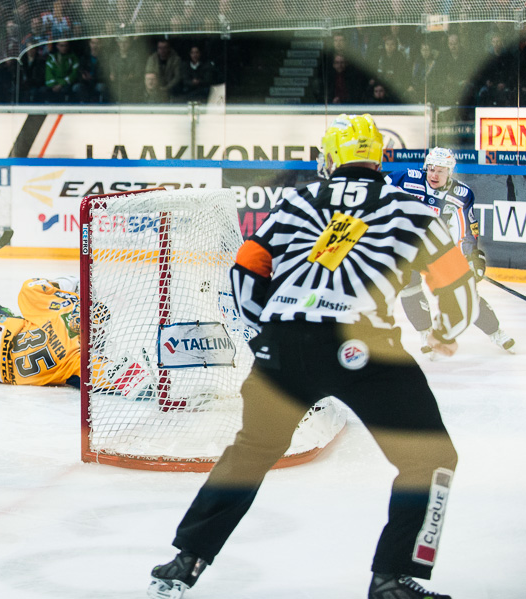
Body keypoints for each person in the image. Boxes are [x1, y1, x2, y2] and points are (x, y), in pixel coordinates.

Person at [148, 114, 477, 599]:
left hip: (282, 345)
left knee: (252, 452)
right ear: (378, 159)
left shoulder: (295, 202)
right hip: (365, 347)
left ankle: (185, 561)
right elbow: (457, 286)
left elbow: (246, 270)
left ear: (331, 160)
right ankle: (391, 579)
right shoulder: (414, 210)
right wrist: (446, 331)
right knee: (432, 458)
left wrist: (269, 335)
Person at [388, 147, 515, 353]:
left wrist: (472, 256)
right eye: (431, 169)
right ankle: (425, 333)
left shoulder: (462, 193)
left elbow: (468, 229)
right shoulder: (405, 178)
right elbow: (375, 191)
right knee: (409, 285)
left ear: (450, 172)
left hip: (437, 249)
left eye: (440, 170)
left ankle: (496, 332)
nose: (434, 174)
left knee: (464, 293)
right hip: (406, 246)